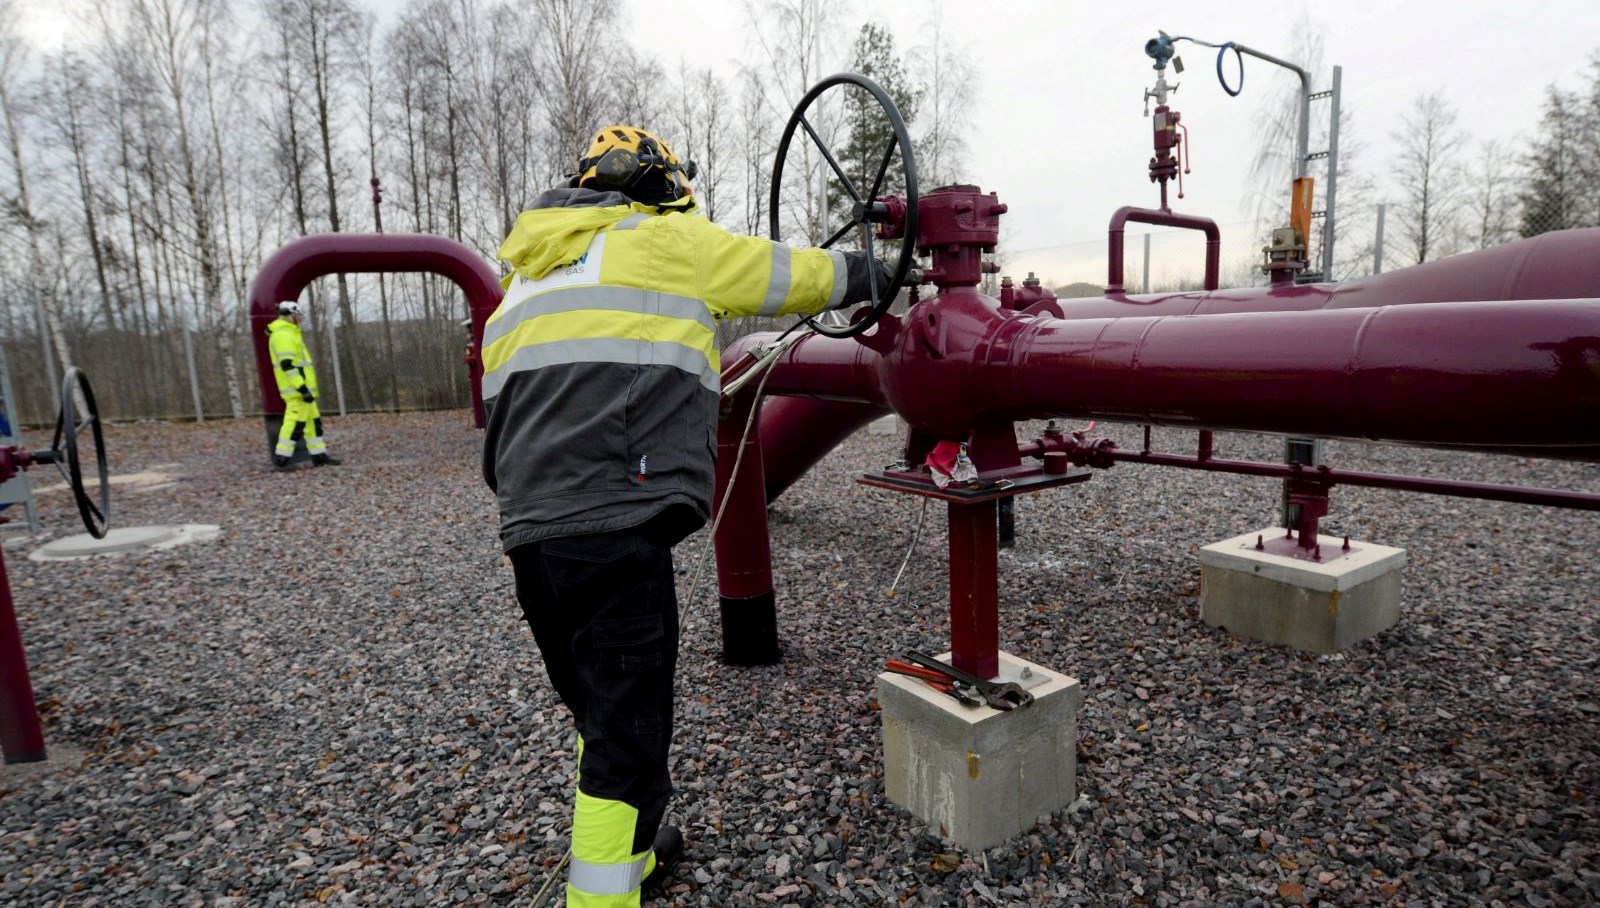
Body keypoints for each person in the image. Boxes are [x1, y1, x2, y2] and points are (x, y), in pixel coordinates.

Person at [481, 125, 891, 907]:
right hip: (611, 526)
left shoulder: (525, 282)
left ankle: (634, 852)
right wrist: (871, 271)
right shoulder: (664, 241)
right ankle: (600, 895)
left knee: (600, 709)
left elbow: (497, 422)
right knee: (625, 732)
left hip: (531, 535)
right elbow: (789, 275)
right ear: (662, 184)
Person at [266, 300, 341, 470]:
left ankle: (319, 456)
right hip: (297, 391)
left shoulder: (291, 333)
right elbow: (288, 365)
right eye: (298, 315)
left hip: (303, 391)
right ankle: (281, 460)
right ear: (291, 315)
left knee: (312, 423)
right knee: (294, 424)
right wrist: (301, 388)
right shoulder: (283, 335)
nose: (300, 318)